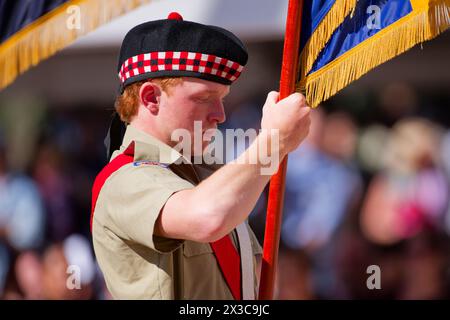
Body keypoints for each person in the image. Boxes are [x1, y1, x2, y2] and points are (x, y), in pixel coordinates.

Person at [91, 12, 311, 300]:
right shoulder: (124, 179)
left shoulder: (207, 173)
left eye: (222, 99)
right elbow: (208, 217)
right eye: (204, 98)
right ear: (150, 98)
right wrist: (274, 142)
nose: (220, 115)